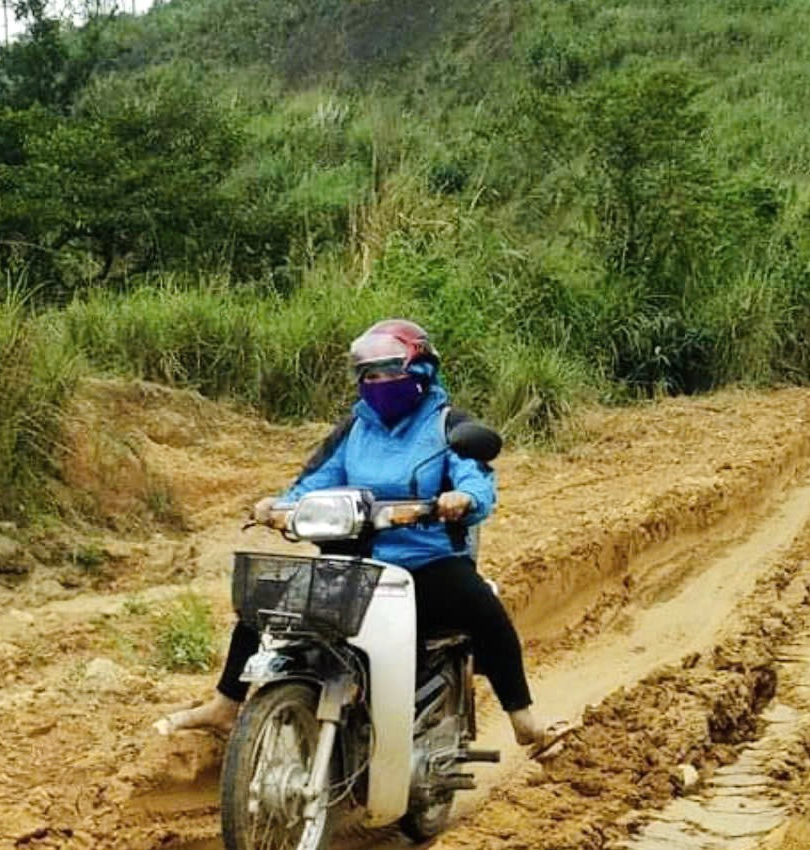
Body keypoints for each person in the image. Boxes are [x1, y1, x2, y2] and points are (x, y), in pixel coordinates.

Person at [155, 318, 569, 752]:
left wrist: (461, 498)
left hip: (426, 564)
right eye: (370, 374)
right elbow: (314, 481)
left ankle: (524, 722)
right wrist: (278, 507)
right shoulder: (355, 429)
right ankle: (226, 705)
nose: (379, 382)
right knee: (268, 605)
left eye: (390, 371)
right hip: (353, 564)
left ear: (421, 371)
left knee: (487, 615)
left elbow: (476, 479)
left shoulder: (448, 425)